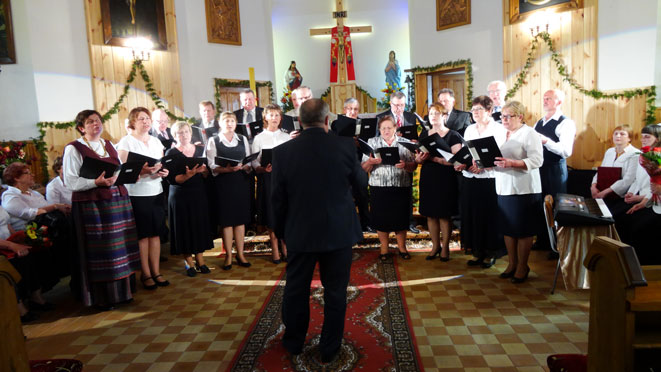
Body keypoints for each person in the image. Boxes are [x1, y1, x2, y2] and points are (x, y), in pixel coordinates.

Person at [272, 98, 364, 363]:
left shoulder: (283, 152)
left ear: (299, 121)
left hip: (299, 231)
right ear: (327, 121)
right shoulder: (345, 147)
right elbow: (360, 185)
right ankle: (330, 347)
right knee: (335, 291)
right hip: (338, 230)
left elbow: (277, 198)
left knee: (296, 288)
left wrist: (280, 232)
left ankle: (294, 341)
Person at [62, 109, 140, 310]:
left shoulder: (108, 144)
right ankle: (102, 298)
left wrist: (128, 175)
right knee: (103, 252)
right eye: (90, 122)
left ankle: (123, 293)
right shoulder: (74, 149)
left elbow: (118, 170)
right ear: (81, 128)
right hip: (93, 205)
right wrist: (94, 182)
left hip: (116, 202)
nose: (96, 124)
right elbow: (70, 181)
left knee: (120, 247)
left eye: (98, 121)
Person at [117, 107, 170, 290]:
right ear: (133, 122)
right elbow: (123, 170)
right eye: (141, 119)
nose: (146, 121)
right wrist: (143, 170)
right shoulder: (126, 142)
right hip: (137, 193)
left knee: (155, 234)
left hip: (156, 191)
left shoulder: (156, 141)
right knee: (142, 236)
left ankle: (157, 271)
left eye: (147, 118)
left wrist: (163, 171)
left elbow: (161, 163)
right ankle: (145, 274)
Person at [493, 101, 544, 284]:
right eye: (502, 116)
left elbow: (538, 160)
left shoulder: (529, 133)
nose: (504, 119)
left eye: (508, 116)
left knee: (523, 230)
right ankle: (511, 263)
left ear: (520, 117)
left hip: (524, 189)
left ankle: (523, 265)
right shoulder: (500, 133)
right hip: (504, 186)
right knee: (508, 228)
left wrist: (513, 163)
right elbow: (496, 158)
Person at [456, 96, 507, 268]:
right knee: (473, 214)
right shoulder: (470, 129)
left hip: (490, 178)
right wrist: (463, 163)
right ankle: (477, 251)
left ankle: (491, 252)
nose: (475, 113)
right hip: (471, 177)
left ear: (489, 111)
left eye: (479, 109)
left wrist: (483, 166)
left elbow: (498, 153)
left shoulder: (499, 129)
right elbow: (468, 151)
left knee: (489, 215)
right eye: (473, 109)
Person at [362, 116, 417, 261]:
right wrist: (371, 162)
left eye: (389, 128)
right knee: (381, 219)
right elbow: (363, 167)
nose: (386, 131)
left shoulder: (405, 143)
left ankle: (402, 248)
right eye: (383, 128)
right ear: (379, 129)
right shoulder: (372, 143)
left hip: (400, 186)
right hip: (379, 187)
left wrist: (405, 165)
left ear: (395, 128)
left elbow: (414, 166)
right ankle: (384, 249)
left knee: (401, 219)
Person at [165, 121, 213, 277]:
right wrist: (188, 175)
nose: (184, 135)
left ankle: (200, 260)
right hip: (180, 194)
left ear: (191, 133)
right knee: (184, 227)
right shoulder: (170, 153)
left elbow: (207, 175)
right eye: (180, 133)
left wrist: (204, 171)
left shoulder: (200, 149)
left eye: (186, 132)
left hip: (198, 192)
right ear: (175, 135)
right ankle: (188, 261)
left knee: (198, 226)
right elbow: (172, 179)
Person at [415, 103, 463, 262]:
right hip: (429, 176)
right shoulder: (424, 134)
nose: (433, 116)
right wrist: (419, 158)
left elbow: (457, 161)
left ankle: (446, 248)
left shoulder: (453, 135)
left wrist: (436, 159)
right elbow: (418, 156)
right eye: (431, 113)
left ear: (444, 116)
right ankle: (435, 246)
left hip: (446, 177)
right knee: (430, 214)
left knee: (444, 215)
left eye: (436, 113)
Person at [206, 112, 253, 270]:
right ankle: (228, 256)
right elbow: (211, 164)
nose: (230, 123)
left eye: (232, 120)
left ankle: (240, 254)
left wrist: (244, 166)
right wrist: (226, 169)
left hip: (240, 182)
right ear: (220, 123)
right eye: (226, 121)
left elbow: (248, 161)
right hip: (223, 183)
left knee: (240, 221)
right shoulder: (214, 140)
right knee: (226, 221)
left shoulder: (243, 139)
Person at [0, 205, 56, 322]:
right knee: (14, 263)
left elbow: (6, 224)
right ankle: (19, 308)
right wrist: (11, 245)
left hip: (7, 243)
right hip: (2, 249)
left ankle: (36, 297)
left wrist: (18, 238)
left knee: (32, 255)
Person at [252, 104, 292, 263]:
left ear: (281, 118)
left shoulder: (287, 137)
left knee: (285, 213)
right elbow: (254, 160)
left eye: (277, 115)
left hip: (285, 180)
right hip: (267, 179)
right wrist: (262, 168)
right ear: (265, 118)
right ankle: (274, 247)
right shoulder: (259, 138)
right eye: (271, 115)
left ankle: (285, 245)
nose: (274, 118)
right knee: (271, 213)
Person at [377, 91, 419, 233]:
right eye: (396, 105)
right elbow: (377, 138)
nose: (399, 108)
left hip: (406, 156)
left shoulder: (410, 116)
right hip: (387, 158)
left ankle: (409, 222)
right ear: (391, 103)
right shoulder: (381, 117)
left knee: (407, 191)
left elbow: (414, 135)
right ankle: (388, 223)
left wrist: (413, 141)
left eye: (402, 105)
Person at [616, 125, 661, 246]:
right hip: (652, 201)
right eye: (642, 137)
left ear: (657, 139)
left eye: (647, 137)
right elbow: (639, 180)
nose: (643, 140)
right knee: (626, 220)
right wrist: (642, 201)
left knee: (638, 228)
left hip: (655, 204)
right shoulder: (648, 155)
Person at [2, 163, 70, 231]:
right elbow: (31, 214)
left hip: (48, 226)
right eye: (27, 173)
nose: (33, 175)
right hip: (30, 234)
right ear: (16, 178)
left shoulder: (33, 193)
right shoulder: (9, 196)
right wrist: (55, 206)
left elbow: (47, 207)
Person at [589, 125, 639, 215]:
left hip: (621, 196)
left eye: (622, 134)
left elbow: (628, 179)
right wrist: (593, 186)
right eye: (615, 133)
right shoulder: (609, 151)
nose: (618, 136)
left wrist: (606, 191)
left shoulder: (635, 154)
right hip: (602, 193)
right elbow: (600, 172)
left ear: (629, 138)